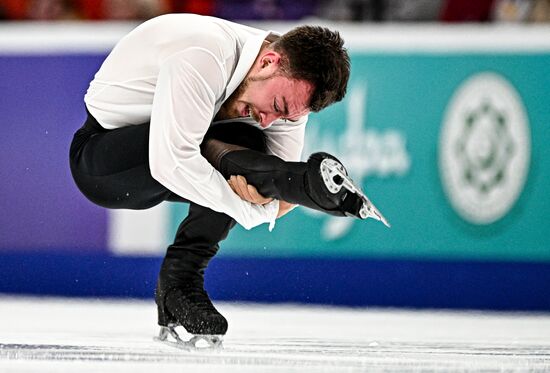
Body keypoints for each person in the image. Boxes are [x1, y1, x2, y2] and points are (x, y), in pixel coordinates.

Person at [70, 13, 386, 347]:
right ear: (268, 61)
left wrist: (280, 189)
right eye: (277, 105)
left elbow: (277, 193)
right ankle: (304, 184)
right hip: (102, 160)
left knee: (251, 144)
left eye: (286, 115)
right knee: (229, 148)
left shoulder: (285, 97)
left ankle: (180, 285)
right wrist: (252, 209)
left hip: (184, 149)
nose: (270, 120)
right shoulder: (205, 53)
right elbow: (171, 161)